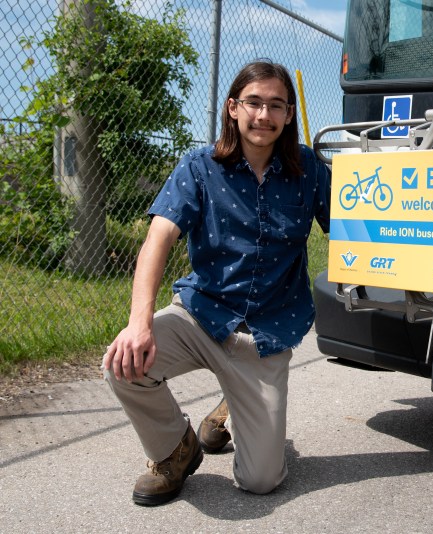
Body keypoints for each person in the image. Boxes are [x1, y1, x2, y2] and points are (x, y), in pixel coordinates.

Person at [102, 60, 331, 506]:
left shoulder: (309, 170)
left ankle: (232, 407)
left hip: (265, 334)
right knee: (123, 364)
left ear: (288, 114)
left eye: (276, 106)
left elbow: (352, 229)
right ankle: (174, 450)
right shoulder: (199, 166)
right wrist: (139, 323)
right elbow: (158, 238)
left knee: (261, 480)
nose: (263, 115)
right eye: (254, 103)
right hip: (201, 318)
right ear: (233, 107)